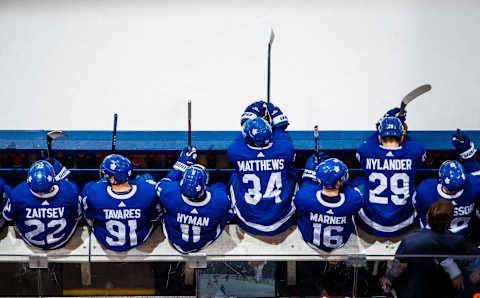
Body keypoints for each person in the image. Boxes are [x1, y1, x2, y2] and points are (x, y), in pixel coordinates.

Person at [355, 116, 426, 237]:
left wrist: (382, 122)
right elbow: (413, 145)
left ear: (379, 137)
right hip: (403, 221)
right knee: (420, 187)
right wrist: (402, 129)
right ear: (402, 137)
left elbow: (369, 143)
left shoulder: (366, 151)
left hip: (371, 221)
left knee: (358, 182)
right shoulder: (415, 151)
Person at [227, 114, 297, 236]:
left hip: (248, 221)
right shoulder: (286, 148)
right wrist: (278, 123)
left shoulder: (235, 151)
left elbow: (241, 141)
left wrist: (248, 118)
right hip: (281, 220)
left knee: (235, 176)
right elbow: (281, 138)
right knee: (291, 173)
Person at [381, 199, 468, 298]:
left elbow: (397, 269)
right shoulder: (458, 241)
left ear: (427, 216)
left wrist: (387, 285)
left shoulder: (410, 241)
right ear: (449, 221)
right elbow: (461, 269)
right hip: (443, 293)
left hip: (413, 293)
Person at [156, 147, 234, 253]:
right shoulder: (220, 199)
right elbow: (229, 216)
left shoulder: (171, 194)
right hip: (204, 239)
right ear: (205, 186)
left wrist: (181, 165)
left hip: (176, 238)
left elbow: (160, 185)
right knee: (220, 183)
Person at [80, 154, 161, 252]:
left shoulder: (94, 191)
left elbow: (88, 216)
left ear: (113, 179)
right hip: (138, 238)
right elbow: (155, 217)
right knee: (146, 178)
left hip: (106, 238)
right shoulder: (147, 191)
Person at [2, 160, 81, 249]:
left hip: (32, 241)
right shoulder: (69, 190)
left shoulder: (19, 192)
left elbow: (8, 216)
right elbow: (77, 216)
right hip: (62, 240)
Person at [294, 157, 362, 251]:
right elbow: (349, 187)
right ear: (339, 182)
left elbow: (307, 182)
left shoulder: (304, 197)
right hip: (340, 242)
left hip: (311, 240)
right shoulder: (353, 200)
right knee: (360, 182)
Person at [413, 160, 480, 235]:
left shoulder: (426, 188)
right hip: (463, 235)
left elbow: (417, 208)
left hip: (433, 235)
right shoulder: (475, 184)